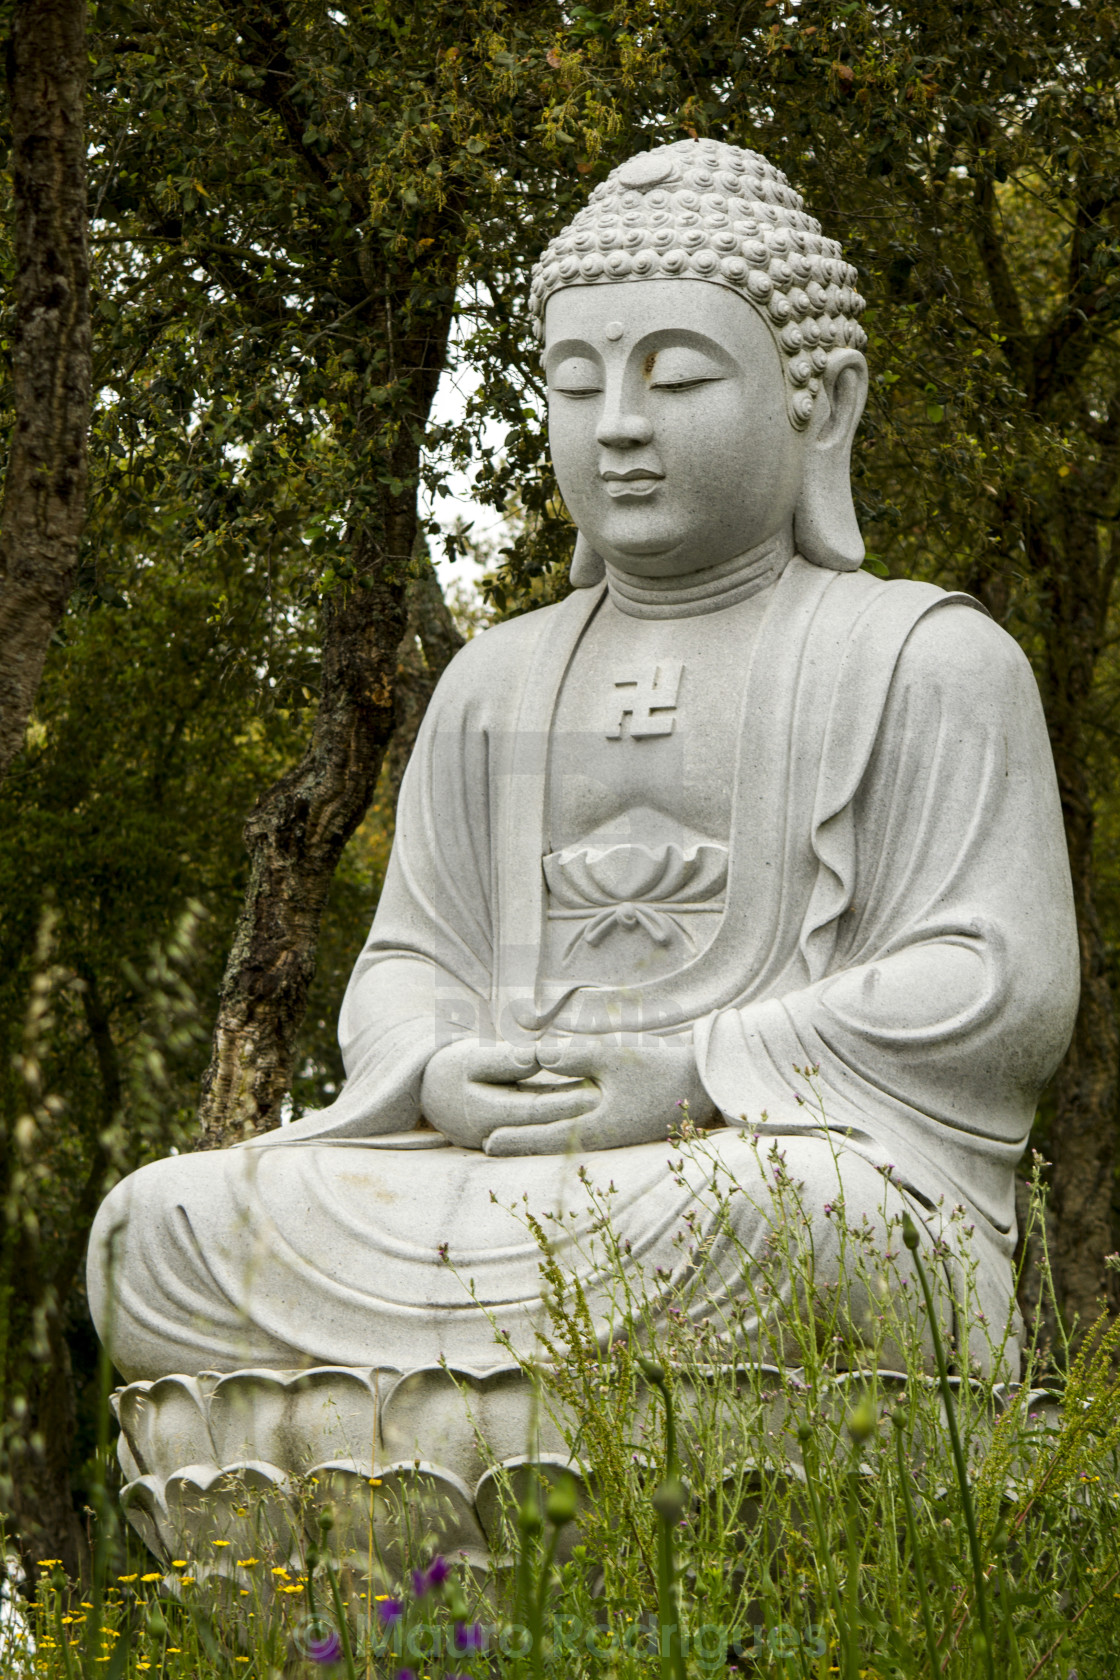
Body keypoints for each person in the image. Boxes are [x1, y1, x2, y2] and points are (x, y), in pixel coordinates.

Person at [88, 140, 1078, 1386]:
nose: (616, 428)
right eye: (574, 381)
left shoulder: (923, 658)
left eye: (675, 380)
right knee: (162, 1229)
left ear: (818, 401)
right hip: (495, 1175)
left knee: (796, 1225)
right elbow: (412, 961)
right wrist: (442, 1068)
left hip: (764, 1169)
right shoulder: (493, 680)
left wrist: (699, 1070)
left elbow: (1001, 980)